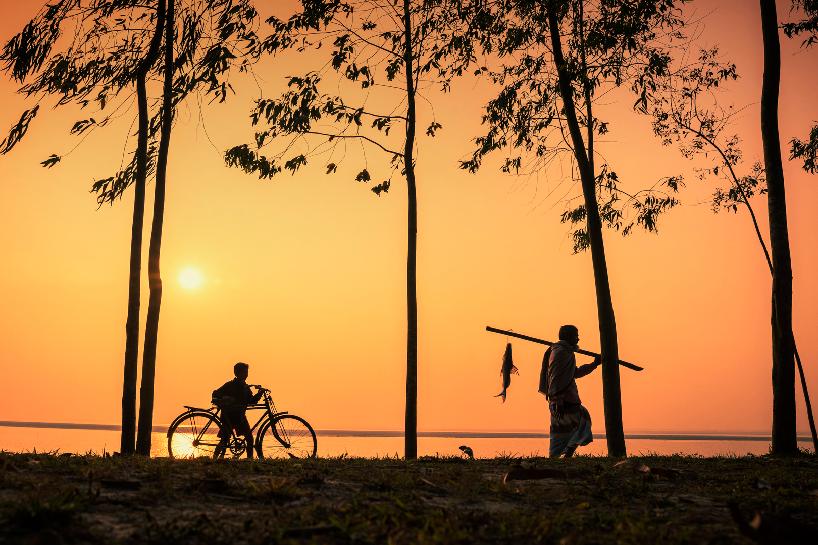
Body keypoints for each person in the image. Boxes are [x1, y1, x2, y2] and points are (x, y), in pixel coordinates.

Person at [538, 325, 601, 458]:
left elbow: (574, 373)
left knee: (580, 422)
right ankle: (557, 457)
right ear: (568, 337)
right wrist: (558, 400)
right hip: (562, 400)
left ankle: (564, 456)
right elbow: (556, 378)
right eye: (575, 336)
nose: (578, 339)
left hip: (564, 399)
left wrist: (594, 364)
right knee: (564, 429)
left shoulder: (564, 352)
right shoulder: (561, 353)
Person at [212, 362, 263, 459]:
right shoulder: (230, 385)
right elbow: (215, 394)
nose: (246, 375)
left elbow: (251, 401)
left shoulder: (245, 387)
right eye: (244, 372)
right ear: (237, 373)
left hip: (239, 417)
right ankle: (215, 457)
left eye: (246, 372)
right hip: (229, 416)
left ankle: (249, 459)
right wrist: (226, 399)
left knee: (248, 439)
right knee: (225, 439)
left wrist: (259, 394)